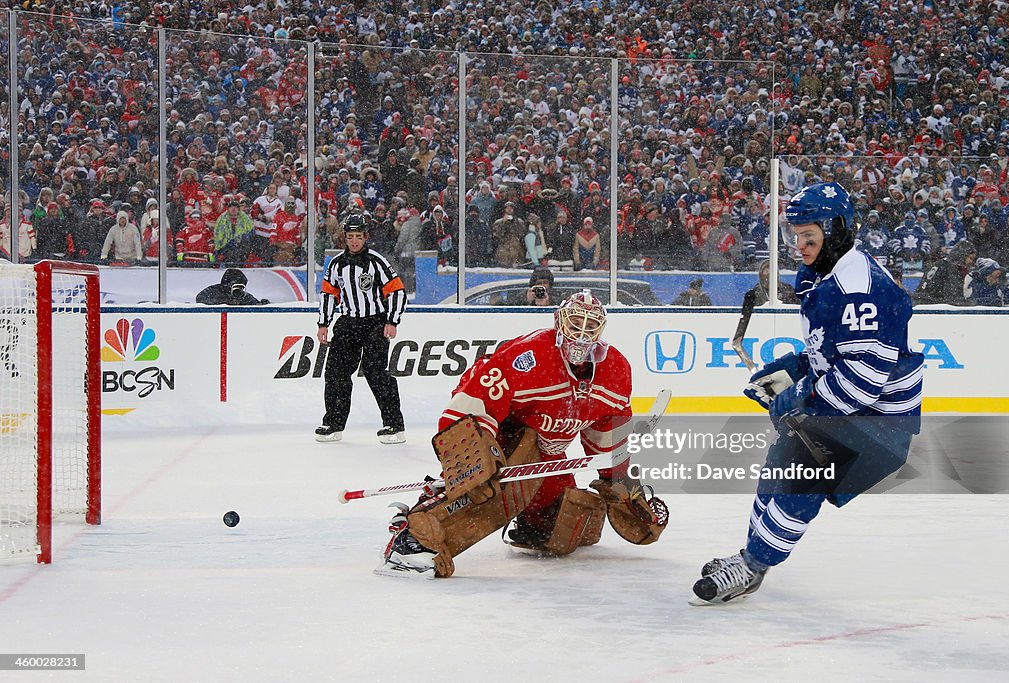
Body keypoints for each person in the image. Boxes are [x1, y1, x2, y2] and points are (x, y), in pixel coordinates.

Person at [694, 182, 923, 604]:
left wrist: (801, 395)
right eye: (795, 236)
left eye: (808, 237)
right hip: (852, 410)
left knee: (799, 477)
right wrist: (799, 366)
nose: (798, 246)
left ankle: (752, 566)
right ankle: (751, 557)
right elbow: (833, 351)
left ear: (835, 231)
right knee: (781, 464)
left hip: (879, 423)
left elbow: (863, 379)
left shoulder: (861, 290)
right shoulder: (823, 275)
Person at [377, 290, 668, 577]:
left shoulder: (615, 370)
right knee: (492, 489)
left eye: (590, 326)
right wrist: (473, 461)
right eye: (575, 322)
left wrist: (618, 480)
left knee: (566, 521)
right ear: (559, 321)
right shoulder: (529, 357)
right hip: (503, 435)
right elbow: (470, 406)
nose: (581, 333)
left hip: (546, 453)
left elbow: (608, 433)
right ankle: (412, 538)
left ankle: (529, 523)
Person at [316, 214, 407, 444]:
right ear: (344, 238)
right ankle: (333, 424)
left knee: (375, 371)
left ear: (365, 237)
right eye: (350, 237)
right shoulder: (337, 264)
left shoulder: (376, 261)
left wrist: (392, 320)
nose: (354, 241)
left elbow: (396, 291)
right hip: (347, 322)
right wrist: (324, 323)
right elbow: (329, 294)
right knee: (336, 373)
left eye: (358, 236)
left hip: (375, 322)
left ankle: (394, 425)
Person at [912, 240, 976, 306]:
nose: (971, 262)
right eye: (970, 258)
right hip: (930, 307)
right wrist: (968, 303)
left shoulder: (942, 265)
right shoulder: (948, 268)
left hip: (924, 304)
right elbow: (952, 299)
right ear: (962, 255)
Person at [195, 268, 270, 305]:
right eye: (236, 286)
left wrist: (264, 304)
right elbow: (200, 299)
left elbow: (255, 304)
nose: (239, 289)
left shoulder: (244, 296)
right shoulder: (215, 290)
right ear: (227, 285)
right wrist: (225, 301)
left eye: (241, 287)